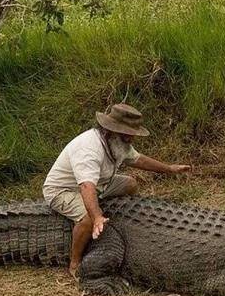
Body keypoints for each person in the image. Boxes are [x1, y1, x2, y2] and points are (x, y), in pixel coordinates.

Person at [43, 103, 191, 277]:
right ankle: (75, 263)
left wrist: (169, 169)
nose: (132, 138)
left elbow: (139, 160)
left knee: (130, 184)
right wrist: (97, 216)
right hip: (64, 190)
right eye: (128, 134)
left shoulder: (118, 142)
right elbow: (85, 186)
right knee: (87, 220)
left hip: (98, 185)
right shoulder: (89, 149)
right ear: (112, 130)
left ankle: (108, 214)